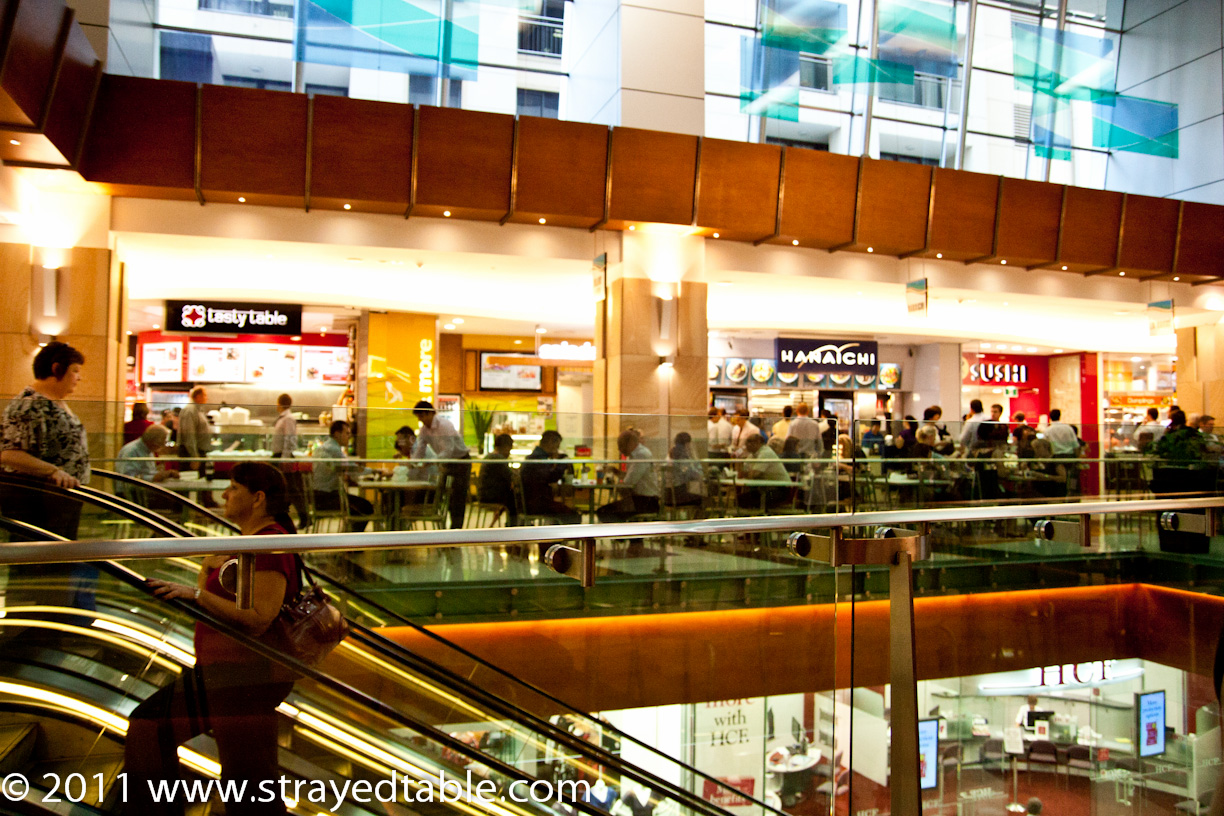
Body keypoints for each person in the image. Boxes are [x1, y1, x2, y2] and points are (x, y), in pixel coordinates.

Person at [127, 461, 301, 816]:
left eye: (233, 487)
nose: (224, 494)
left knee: (247, 778)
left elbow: (257, 620)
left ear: (257, 498)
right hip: (226, 673)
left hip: (243, 676)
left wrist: (195, 595)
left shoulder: (269, 546)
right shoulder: (250, 542)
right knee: (247, 774)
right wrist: (208, 568)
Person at [0, 342, 94, 611]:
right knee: (40, 573)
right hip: (38, 504)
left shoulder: (58, 404)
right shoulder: (29, 406)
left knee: (58, 569)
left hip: (58, 503)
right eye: (75, 370)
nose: (79, 377)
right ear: (56, 369)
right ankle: (35, 630)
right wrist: (53, 471)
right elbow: (8, 454)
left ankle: (54, 624)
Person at [412, 400, 470, 529]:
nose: (420, 419)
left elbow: (448, 450)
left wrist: (430, 462)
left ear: (430, 414)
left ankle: (456, 531)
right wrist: (412, 462)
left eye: (421, 416)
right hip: (447, 462)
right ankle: (445, 529)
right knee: (444, 495)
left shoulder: (444, 425)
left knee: (458, 497)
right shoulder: (424, 430)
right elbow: (420, 449)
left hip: (461, 461)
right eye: (418, 417)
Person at [312, 420, 375, 532]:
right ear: (337, 433)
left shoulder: (327, 447)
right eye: (347, 433)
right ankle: (352, 543)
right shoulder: (333, 449)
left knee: (362, 506)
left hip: (319, 496)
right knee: (366, 507)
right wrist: (375, 471)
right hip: (328, 498)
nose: (349, 436)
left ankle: (348, 539)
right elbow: (352, 468)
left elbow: (346, 468)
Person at [597, 429, 660, 522]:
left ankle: (623, 535)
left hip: (646, 502)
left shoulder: (641, 455)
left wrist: (616, 487)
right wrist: (614, 471)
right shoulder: (634, 455)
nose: (620, 450)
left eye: (621, 446)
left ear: (630, 443)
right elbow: (630, 477)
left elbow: (629, 482)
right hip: (640, 500)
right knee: (609, 510)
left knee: (604, 512)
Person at [521, 429, 580, 524]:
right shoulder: (539, 458)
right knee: (573, 516)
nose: (557, 449)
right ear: (550, 442)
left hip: (532, 502)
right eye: (557, 446)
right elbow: (551, 477)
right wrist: (562, 463)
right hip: (537, 504)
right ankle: (559, 538)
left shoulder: (535, 456)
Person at [270, 393, 310, 530]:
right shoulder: (284, 418)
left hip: (283, 456)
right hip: (281, 456)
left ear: (279, 404)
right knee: (285, 489)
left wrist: (285, 459)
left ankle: (304, 517)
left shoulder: (288, 419)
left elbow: (290, 440)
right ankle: (285, 519)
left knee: (292, 489)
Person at [116, 425, 172, 500]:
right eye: (163, 441)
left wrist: (164, 474)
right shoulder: (132, 451)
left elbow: (148, 471)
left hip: (143, 490)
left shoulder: (148, 450)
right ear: (154, 441)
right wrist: (153, 478)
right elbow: (127, 479)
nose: (163, 445)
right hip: (132, 494)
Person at [739, 434, 792, 510]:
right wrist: (739, 460)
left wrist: (748, 473)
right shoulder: (752, 455)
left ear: (758, 443)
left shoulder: (765, 453)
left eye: (750, 442)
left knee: (749, 501)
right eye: (747, 442)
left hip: (780, 490)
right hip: (764, 489)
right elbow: (741, 475)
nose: (747, 444)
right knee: (740, 499)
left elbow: (755, 474)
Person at [478, 433, 517, 525]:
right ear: (506, 446)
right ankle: (514, 525)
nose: (509, 452)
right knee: (515, 499)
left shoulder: (490, 456)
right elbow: (510, 476)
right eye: (509, 449)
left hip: (485, 494)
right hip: (491, 496)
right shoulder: (498, 458)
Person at [178, 386, 214, 479]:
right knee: (188, 481)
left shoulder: (199, 410)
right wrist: (194, 456)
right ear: (198, 396)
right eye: (205, 395)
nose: (207, 398)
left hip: (199, 452)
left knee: (201, 480)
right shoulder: (190, 410)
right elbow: (189, 435)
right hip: (191, 453)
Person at [666, 432, 705, 507]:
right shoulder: (682, 455)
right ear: (687, 444)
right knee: (703, 499)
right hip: (679, 496)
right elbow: (691, 474)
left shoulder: (670, 453)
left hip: (667, 494)